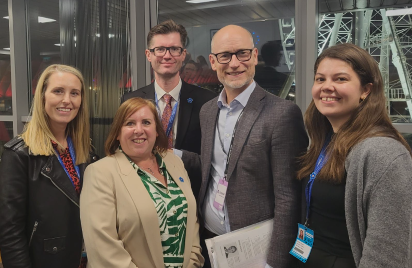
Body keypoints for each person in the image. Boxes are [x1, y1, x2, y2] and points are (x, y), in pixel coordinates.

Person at [180, 25, 308, 268]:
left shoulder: (282, 113)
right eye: (225, 56)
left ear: (255, 56)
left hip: (256, 252)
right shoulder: (208, 111)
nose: (234, 63)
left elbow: (288, 197)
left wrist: (275, 262)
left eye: (243, 54)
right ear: (213, 61)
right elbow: (213, 166)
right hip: (211, 242)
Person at [297, 43, 412, 268]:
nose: (327, 87)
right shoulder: (327, 140)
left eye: (340, 79)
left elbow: (388, 253)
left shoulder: (383, 153)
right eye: (320, 79)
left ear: (366, 90)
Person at [80, 97, 204, 268]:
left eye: (146, 122)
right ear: (117, 132)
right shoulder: (100, 173)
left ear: (157, 130)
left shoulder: (174, 163)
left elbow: (192, 220)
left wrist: (193, 262)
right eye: (130, 123)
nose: (139, 130)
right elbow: (102, 247)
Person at [0, 64, 97, 268]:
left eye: (75, 93)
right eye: (58, 91)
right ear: (42, 96)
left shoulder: (86, 151)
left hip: (87, 259)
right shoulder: (19, 155)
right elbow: (10, 232)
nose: (67, 100)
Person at [121, 19, 216, 199]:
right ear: (148, 55)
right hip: (142, 195)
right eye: (160, 49)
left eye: (174, 49)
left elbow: (211, 160)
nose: (167, 55)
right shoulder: (130, 100)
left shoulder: (207, 102)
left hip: (190, 197)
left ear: (183, 54)